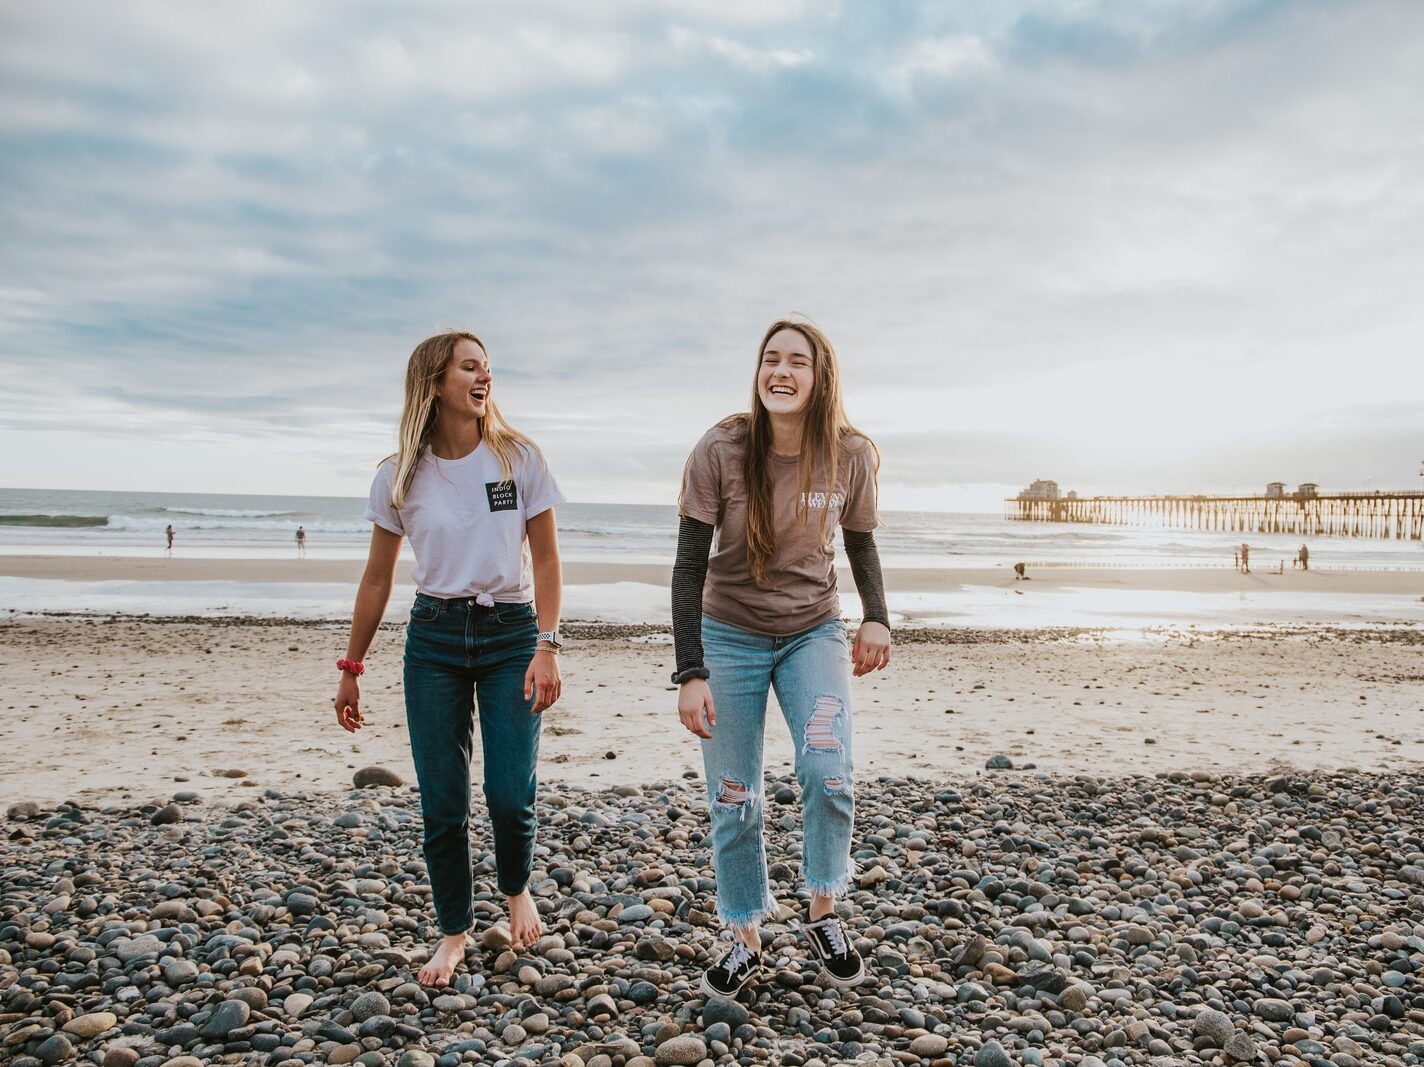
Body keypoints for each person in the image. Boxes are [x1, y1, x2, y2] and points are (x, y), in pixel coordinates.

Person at [332, 330, 565, 988]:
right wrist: (351, 667)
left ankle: (516, 886)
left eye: (486, 366)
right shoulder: (399, 473)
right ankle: (454, 931)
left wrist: (548, 644)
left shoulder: (519, 458)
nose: (483, 374)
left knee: (507, 791)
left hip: (512, 633)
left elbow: (545, 560)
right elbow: (377, 578)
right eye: (469, 366)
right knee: (443, 801)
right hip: (433, 636)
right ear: (436, 382)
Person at [671, 318, 891, 997]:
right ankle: (744, 934)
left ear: (820, 377)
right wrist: (691, 671)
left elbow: (859, 543)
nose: (782, 371)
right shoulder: (721, 448)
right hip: (727, 633)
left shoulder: (849, 454)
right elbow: (686, 567)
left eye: (797, 361)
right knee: (734, 796)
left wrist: (877, 616)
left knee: (829, 773)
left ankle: (823, 909)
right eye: (772, 359)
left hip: (812, 632)